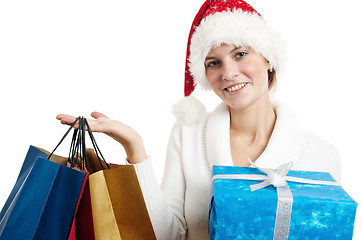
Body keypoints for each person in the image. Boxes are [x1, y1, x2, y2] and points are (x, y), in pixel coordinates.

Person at [57, 0, 341, 239]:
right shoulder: (188, 134)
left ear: (268, 58)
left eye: (240, 54)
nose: (228, 73)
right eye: (213, 62)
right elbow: (170, 235)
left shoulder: (320, 156)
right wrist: (136, 150)